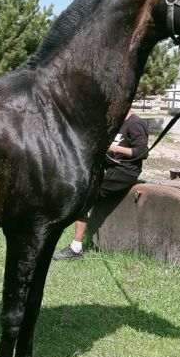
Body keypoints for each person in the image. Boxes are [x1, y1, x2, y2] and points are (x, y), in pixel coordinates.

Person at [53, 111, 149, 260]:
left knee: (85, 199)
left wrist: (114, 148)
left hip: (124, 172)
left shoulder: (135, 123)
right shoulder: (117, 122)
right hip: (110, 170)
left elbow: (142, 152)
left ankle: (76, 249)